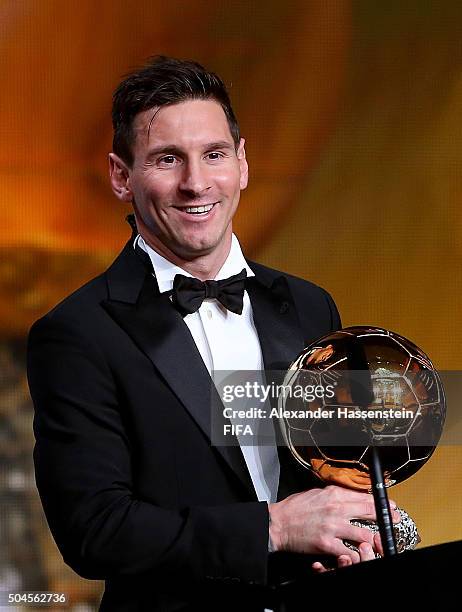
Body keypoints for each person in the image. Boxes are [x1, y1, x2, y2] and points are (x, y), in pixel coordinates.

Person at [27, 56, 399, 611]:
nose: (196, 182)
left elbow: (331, 472)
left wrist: (354, 523)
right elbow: (94, 530)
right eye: (167, 159)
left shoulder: (308, 305)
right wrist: (271, 528)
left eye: (215, 154)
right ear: (121, 176)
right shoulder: (77, 334)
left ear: (243, 163)